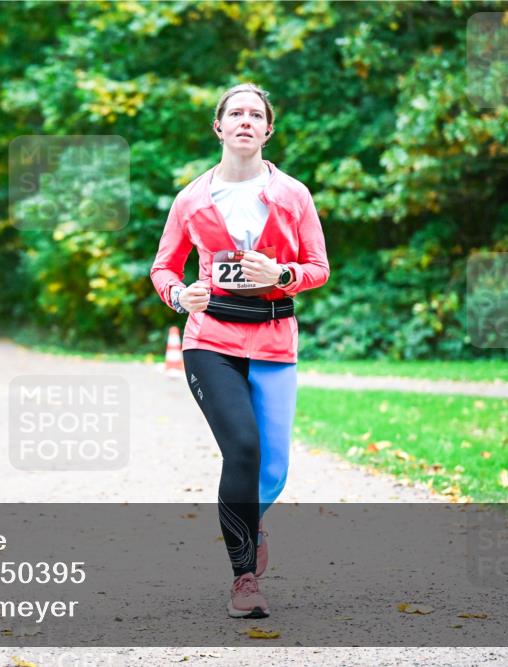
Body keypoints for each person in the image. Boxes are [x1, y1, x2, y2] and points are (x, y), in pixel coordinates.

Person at [150, 83, 329, 619]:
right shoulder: (191, 199)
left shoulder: (293, 195)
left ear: (268, 130)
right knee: (243, 451)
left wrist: (282, 274)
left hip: (274, 340)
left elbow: (318, 268)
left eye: (256, 114)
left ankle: (247, 522)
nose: (246, 121)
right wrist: (182, 294)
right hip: (211, 341)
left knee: (273, 469)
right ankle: (244, 578)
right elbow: (163, 267)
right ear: (219, 127)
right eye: (236, 113)